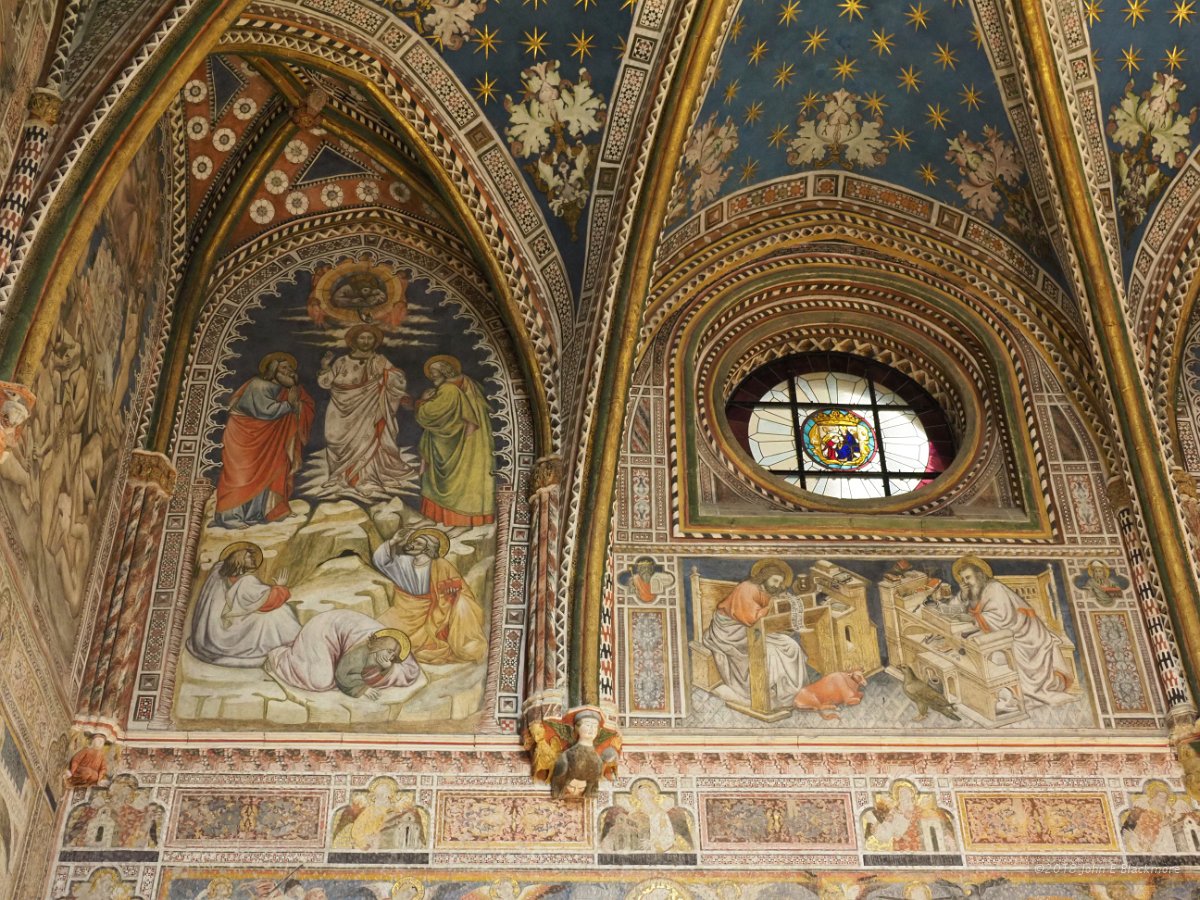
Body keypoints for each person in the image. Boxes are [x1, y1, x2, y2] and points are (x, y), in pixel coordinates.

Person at [952, 556, 1074, 706]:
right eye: (962, 579)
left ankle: (1011, 692)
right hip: (1000, 631)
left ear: (979, 575)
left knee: (1001, 652)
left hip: (1025, 633)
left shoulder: (994, 588)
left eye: (968, 577)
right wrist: (962, 597)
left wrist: (973, 619)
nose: (965, 582)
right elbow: (952, 610)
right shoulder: (971, 592)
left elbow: (1003, 617)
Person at [214, 352, 314, 527]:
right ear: (273, 369)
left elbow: (307, 406)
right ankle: (230, 516)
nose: (289, 371)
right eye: (284, 368)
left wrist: (298, 406)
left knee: (273, 469)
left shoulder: (290, 390)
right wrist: (289, 405)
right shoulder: (259, 384)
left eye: (291, 368)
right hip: (246, 435)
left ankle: (259, 513)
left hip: (273, 440)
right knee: (242, 475)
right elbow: (265, 410)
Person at [317, 325, 413, 495]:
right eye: (362, 338)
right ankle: (338, 477)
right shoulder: (341, 361)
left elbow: (397, 380)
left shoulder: (379, 360)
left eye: (370, 338)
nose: (366, 341)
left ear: (375, 341)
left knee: (367, 440)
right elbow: (326, 383)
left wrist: (388, 376)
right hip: (341, 409)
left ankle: (367, 479)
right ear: (354, 341)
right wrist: (325, 367)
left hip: (370, 408)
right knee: (335, 439)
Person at [703, 558, 806, 710]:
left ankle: (791, 694)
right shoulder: (747, 588)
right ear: (765, 577)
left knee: (792, 646)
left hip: (753, 629)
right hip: (731, 632)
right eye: (775, 580)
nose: (777, 585)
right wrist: (772, 606)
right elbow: (751, 618)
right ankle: (762, 691)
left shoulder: (768, 592)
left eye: (779, 582)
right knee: (770, 651)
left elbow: (765, 617)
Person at [374, 527, 487, 664]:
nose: (412, 544)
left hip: (434, 614)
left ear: (428, 548)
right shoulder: (404, 562)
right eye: (412, 541)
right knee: (377, 631)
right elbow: (381, 562)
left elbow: (460, 590)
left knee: (462, 603)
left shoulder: (441, 564)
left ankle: (463, 643)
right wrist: (393, 541)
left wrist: (451, 595)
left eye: (418, 543)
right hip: (407, 611)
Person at [188, 542, 301, 667]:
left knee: (277, 612)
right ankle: (297, 645)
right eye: (248, 557)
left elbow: (250, 602)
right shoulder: (247, 580)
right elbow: (267, 601)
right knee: (280, 612)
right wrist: (281, 587)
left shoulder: (224, 575)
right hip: (233, 625)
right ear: (239, 559)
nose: (253, 559)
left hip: (230, 619)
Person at [266, 611, 422, 698]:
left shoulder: (398, 651)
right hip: (322, 631)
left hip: (339, 632)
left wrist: (387, 668)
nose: (390, 657)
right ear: (380, 646)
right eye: (389, 653)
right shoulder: (364, 650)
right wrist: (362, 689)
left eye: (393, 656)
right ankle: (279, 657)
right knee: (319, 681)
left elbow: (410, 672)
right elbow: (342, 674)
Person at [415, 355, 495, 526]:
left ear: (445, 372)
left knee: (455, 481)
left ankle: (458, 522)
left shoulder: (448, 390)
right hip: (454, 439)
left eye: (434, 372)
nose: (432, 376)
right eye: (431, 372)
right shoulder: (461, 387)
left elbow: (430, 414)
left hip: (455, 442)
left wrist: (421, 402)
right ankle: (442, 520)